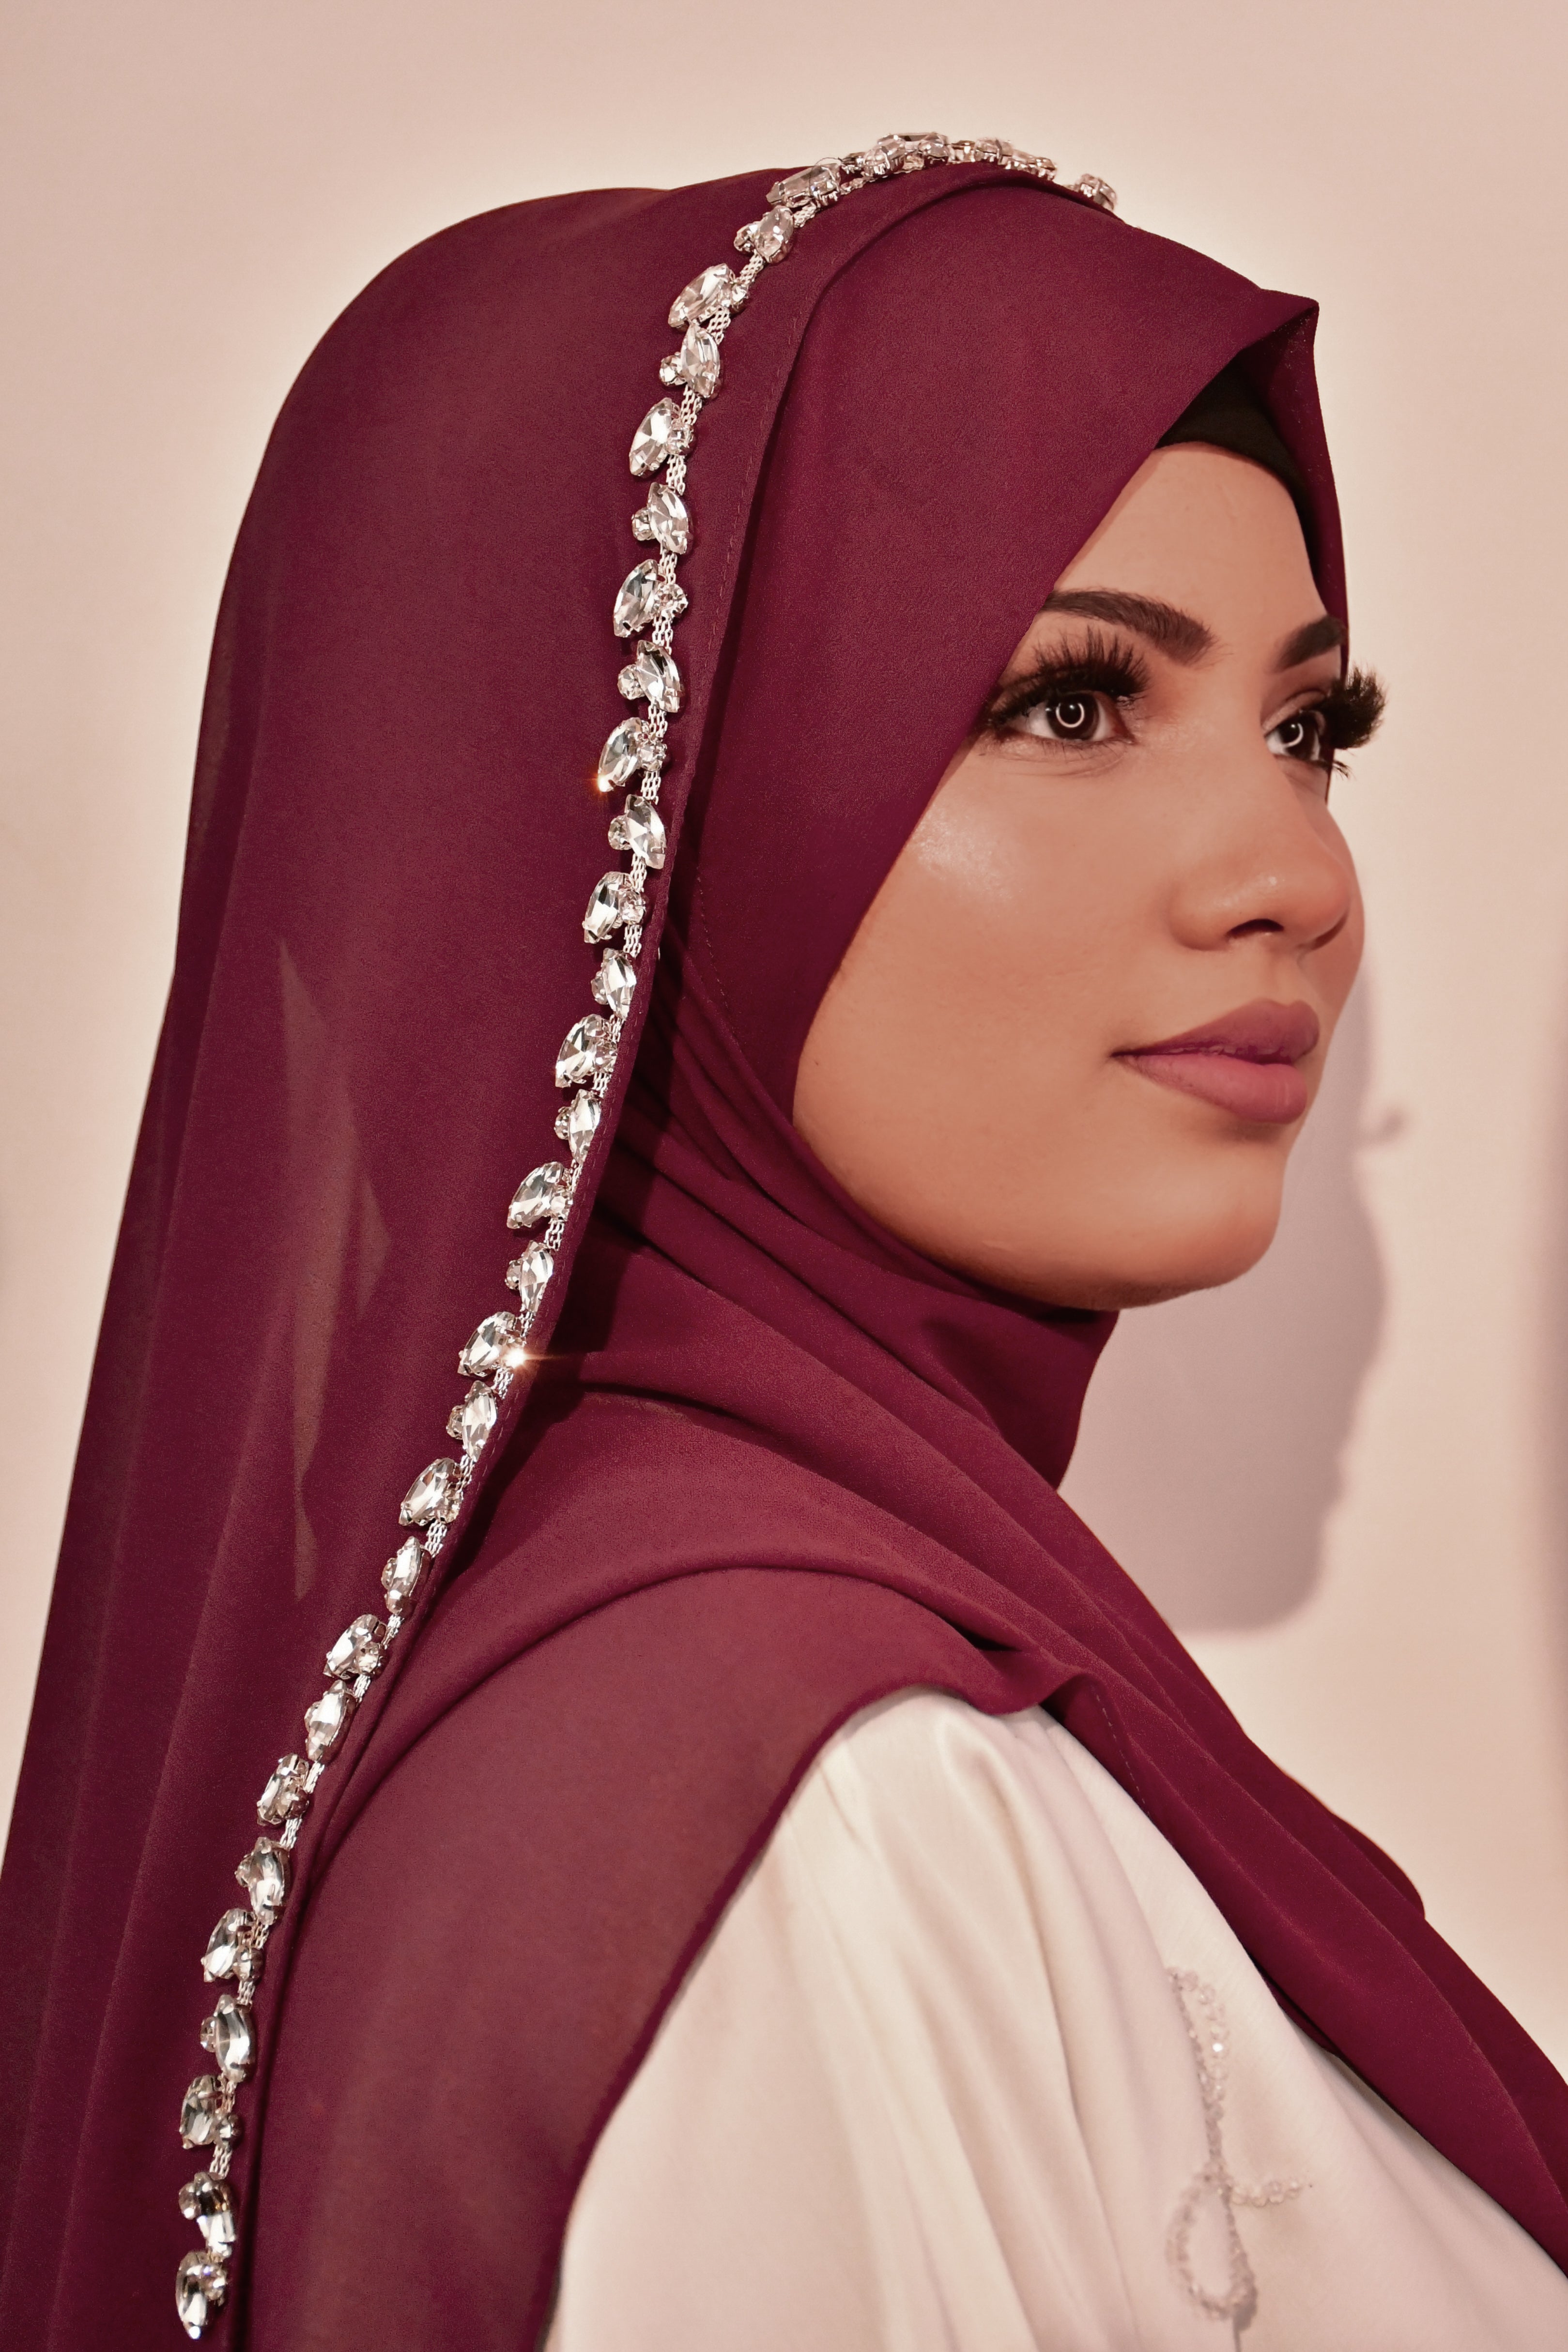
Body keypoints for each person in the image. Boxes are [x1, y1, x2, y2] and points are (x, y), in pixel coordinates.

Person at [1, 135, 1565, 2352]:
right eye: (1071, 703)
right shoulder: (827, 1811)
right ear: (650, 805)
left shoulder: (737, 1705)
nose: (1297, 879)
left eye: (1311, 730)